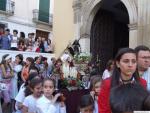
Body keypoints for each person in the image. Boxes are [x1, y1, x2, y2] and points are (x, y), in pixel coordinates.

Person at [98, 48, 147, 113]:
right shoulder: (107, 84)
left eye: (134, 61)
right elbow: (103, 110)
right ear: (118, 63)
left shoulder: (142, 83)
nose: (130, 65)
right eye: (126, 61)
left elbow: (144, 108)